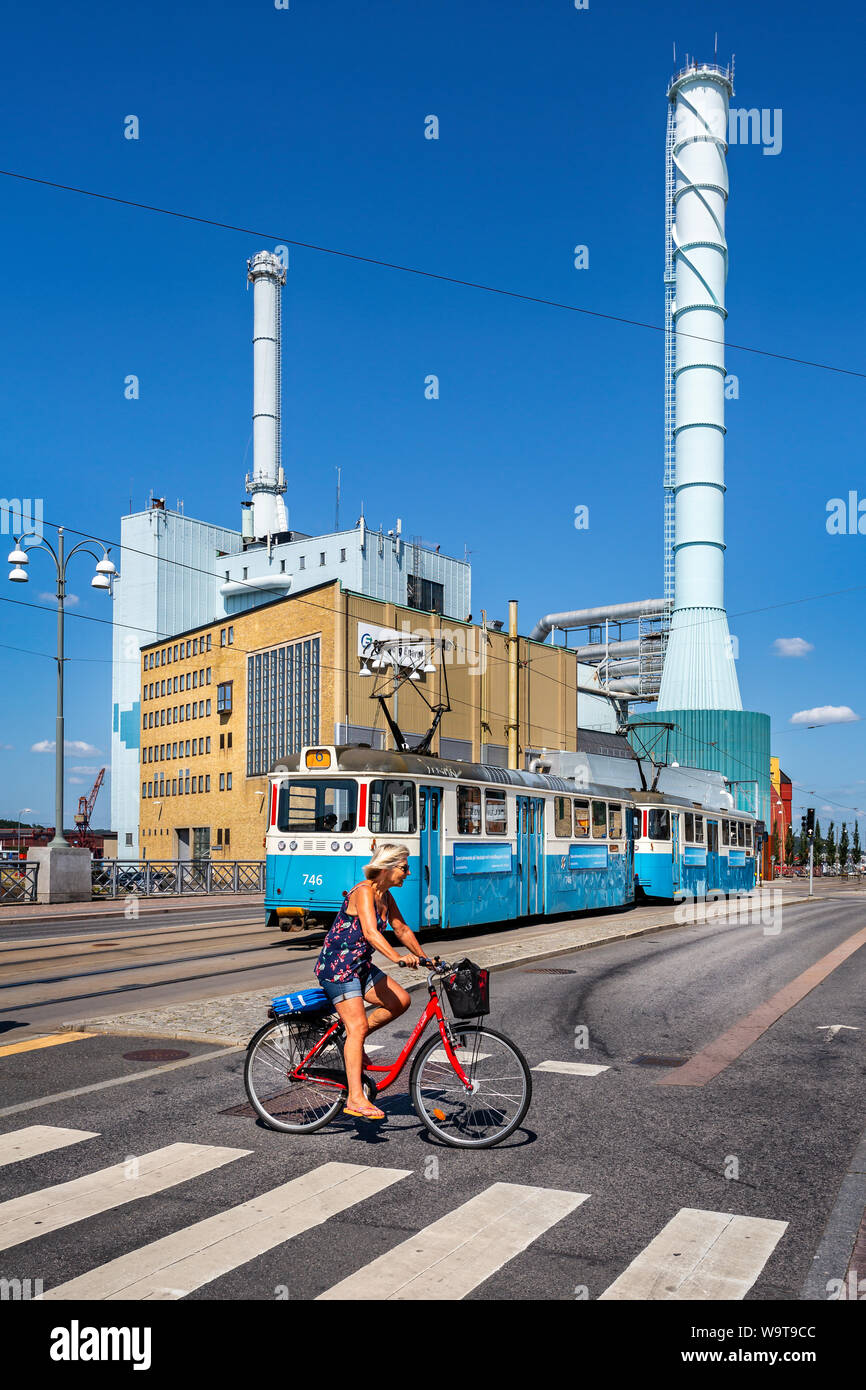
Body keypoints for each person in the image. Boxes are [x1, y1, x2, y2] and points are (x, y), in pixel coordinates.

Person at [314, 843, 427, 1121]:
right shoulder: (364, 892)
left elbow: (400, 928)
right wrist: (398, 958)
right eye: (404, 867)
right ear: (387, 867)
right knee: (358, 1026)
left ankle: (351, 1039)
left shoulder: (385, 896)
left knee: (400, 1001)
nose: (408, 872)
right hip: (339, 968)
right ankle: (354, 1097)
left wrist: (426, 959)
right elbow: (371, 932)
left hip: (360, 966)